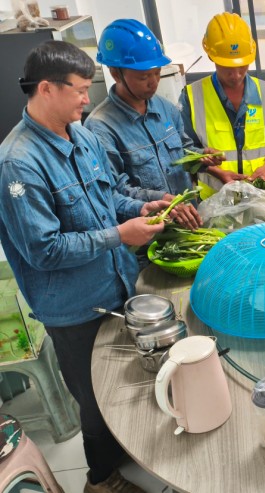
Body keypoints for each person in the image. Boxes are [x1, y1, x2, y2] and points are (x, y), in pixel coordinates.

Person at [0, 40, 168, 493]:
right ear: (46, 89)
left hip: (117, 286)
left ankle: (133, 463)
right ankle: (102, 480)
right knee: (94, 405)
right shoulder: (19, 163)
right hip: (75, 310)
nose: (86, 99)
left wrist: (143, 205)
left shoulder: (83, 134)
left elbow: (108, 194)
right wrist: (120, 235)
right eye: (77, 90)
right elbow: (44, 250)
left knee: (128, 390)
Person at [86, 19, 222, 229]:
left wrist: (201, 157)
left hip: (189, 223)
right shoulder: (100, 128)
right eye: (143, 77)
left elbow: (183, 152)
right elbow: (114, 191)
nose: (154, 82)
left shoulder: (166, 108)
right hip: (148, 236)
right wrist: (163, 200)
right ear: (115, 73)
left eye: (157, 73)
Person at [179, 12, 265, 199]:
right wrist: (215, 170)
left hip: (262, 196)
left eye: (242, 65)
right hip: (216, 199)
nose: (237, 74)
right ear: (211, 55)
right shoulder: (192, 96)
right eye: (227, 67)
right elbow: (183, 149)